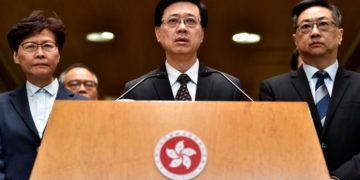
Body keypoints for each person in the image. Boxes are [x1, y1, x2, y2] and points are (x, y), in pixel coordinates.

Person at [259, 0, 360, 179]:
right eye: (305, 27)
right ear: (295, 40)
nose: (314, 32)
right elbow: (269, 147)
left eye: (323, 24)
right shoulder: (273, 89)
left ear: (340, 35)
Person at [0, 10, 87, 179]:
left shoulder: (83, 105)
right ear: (16, 56)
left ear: (58, 54)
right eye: (30, 46)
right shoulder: (1, 106)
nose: (40, 53)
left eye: (47, 45)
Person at [121, 0, 248, 101]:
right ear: (158, 33)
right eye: (173, 21)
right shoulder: (137, 91)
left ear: (202, 33)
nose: (182, 28)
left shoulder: (228, 87)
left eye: (190, 21)